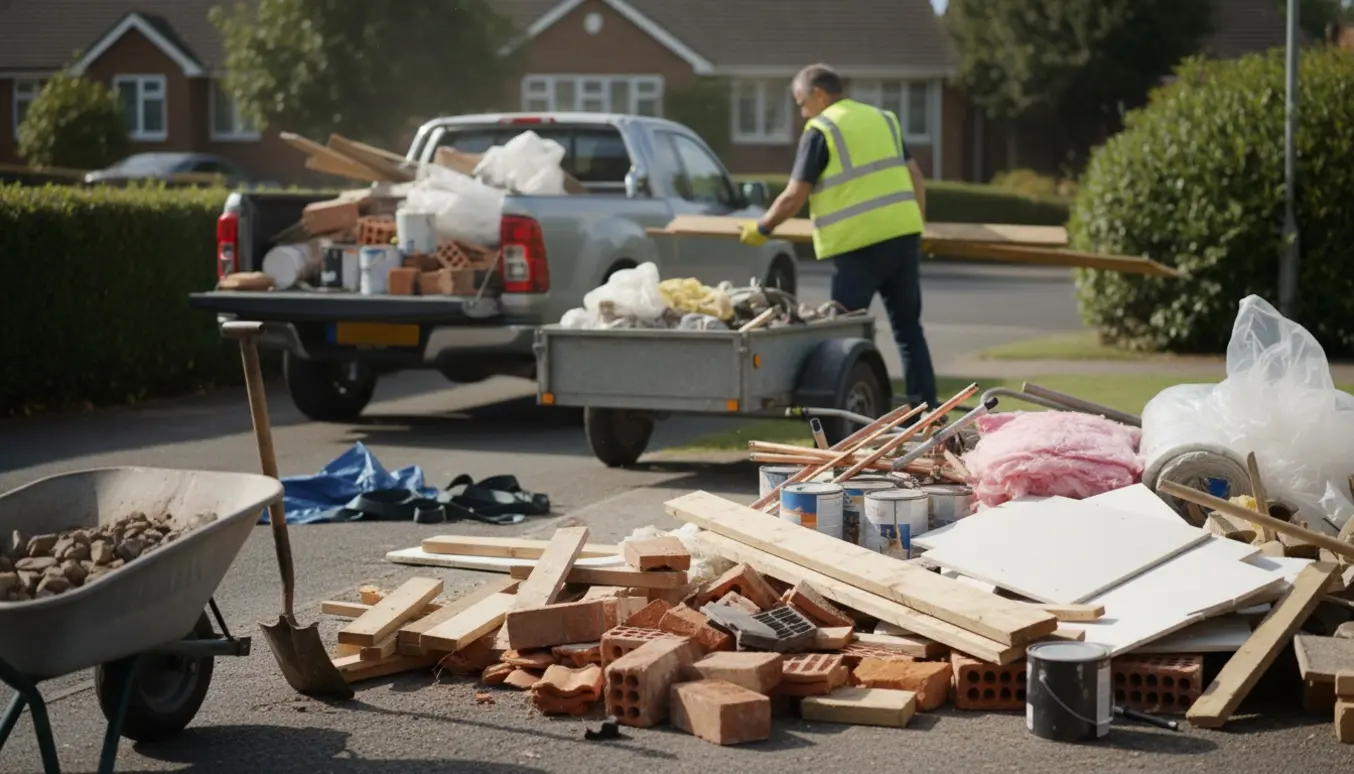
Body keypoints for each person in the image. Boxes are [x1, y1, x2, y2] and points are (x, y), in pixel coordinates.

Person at [739, 63, 938, 410]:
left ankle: (850, 416)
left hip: (859, 248)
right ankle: (926, 412)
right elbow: (916, 177)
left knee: (842, 338)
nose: (801, 112)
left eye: (801, 103)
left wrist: (762, 228)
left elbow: (794, 196)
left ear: (819, 94)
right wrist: (917, 226)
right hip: (904, 238)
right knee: (909, 332)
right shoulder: (884, 119)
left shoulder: (822, 128)